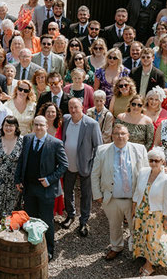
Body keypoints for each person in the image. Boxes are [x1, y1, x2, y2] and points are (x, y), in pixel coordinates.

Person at [91, 124, 149, 260]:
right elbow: (95, 174)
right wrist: (98, 194)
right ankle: (116, 247)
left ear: (128, 135)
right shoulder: (102, 150)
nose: (120, 136)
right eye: (116, 133)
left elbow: (147, 173)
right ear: (112, 136)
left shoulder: (139, 149)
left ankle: (139, 250)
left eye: (123, 133)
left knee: (136, 225)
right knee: (115, 225)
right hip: (112, 197)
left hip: (133, 198)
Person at [15, 116, 68, 260]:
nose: (38, 128)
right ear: (33, 125)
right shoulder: (27, 139)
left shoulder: (56, 143)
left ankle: (49, 250)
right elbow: (22, 160)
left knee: (46, 221)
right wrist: (18, 179)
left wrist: (49, 179)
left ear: (46, 126)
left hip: (46, 190)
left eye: (41, 125)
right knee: (30, 220)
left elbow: (64, 165)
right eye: (36, 125)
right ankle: (32, 247)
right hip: (29, 188)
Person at [132, 147, 167, 276]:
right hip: (142, 211)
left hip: (157, 214)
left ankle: (149, 265)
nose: (153, 163)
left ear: (162, 162)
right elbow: (138, 192)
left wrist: (166, 218)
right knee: (143, 236)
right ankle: (146, 257)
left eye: (156, 161)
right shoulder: (143, 172)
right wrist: (134, 208)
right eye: (151, 161)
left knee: (154, 239)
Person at [58, 98, 102, 235]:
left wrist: (93, 165)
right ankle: (70, 215)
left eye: (75, 107)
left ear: (82, 107)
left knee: (86, 194)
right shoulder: (66, 119)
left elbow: (98, 147)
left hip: (85, 165)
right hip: (68, 164)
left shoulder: (92, 124)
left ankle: (84, 221)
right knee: (68, 190)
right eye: (70, 107)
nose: (73, 110)